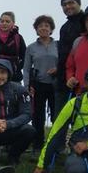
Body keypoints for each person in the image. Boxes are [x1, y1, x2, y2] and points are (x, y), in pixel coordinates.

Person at [23, 15, 59, 151]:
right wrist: (26, 86)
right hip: (38, 84)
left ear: (51, 29)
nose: (43, 28)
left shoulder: (58, 45)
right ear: (36, 30)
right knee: (38, 116)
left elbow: (65, 63)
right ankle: (38, 145)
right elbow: (26, 68)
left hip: (55, 85)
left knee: (56, 114)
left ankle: (56, 145)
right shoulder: (31, 48)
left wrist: (58, 69)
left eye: (46, 26)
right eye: (40, 26)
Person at [55, 0, 85, 110]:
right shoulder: (64, 27)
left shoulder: (87, 22)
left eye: (71, 3)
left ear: (79, 3)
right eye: (64, 4)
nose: (67, 6)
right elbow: (62, 54)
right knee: (60, 117)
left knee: (79, 116)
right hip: (63, 78)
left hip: (81, 78)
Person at [0, 11, 26, 82]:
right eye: (2, 21)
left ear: (13, 23)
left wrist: (16, 69)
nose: (4, 23)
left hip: (14, 78)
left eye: (7, 21)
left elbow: (24, 57)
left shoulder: (18, 38)